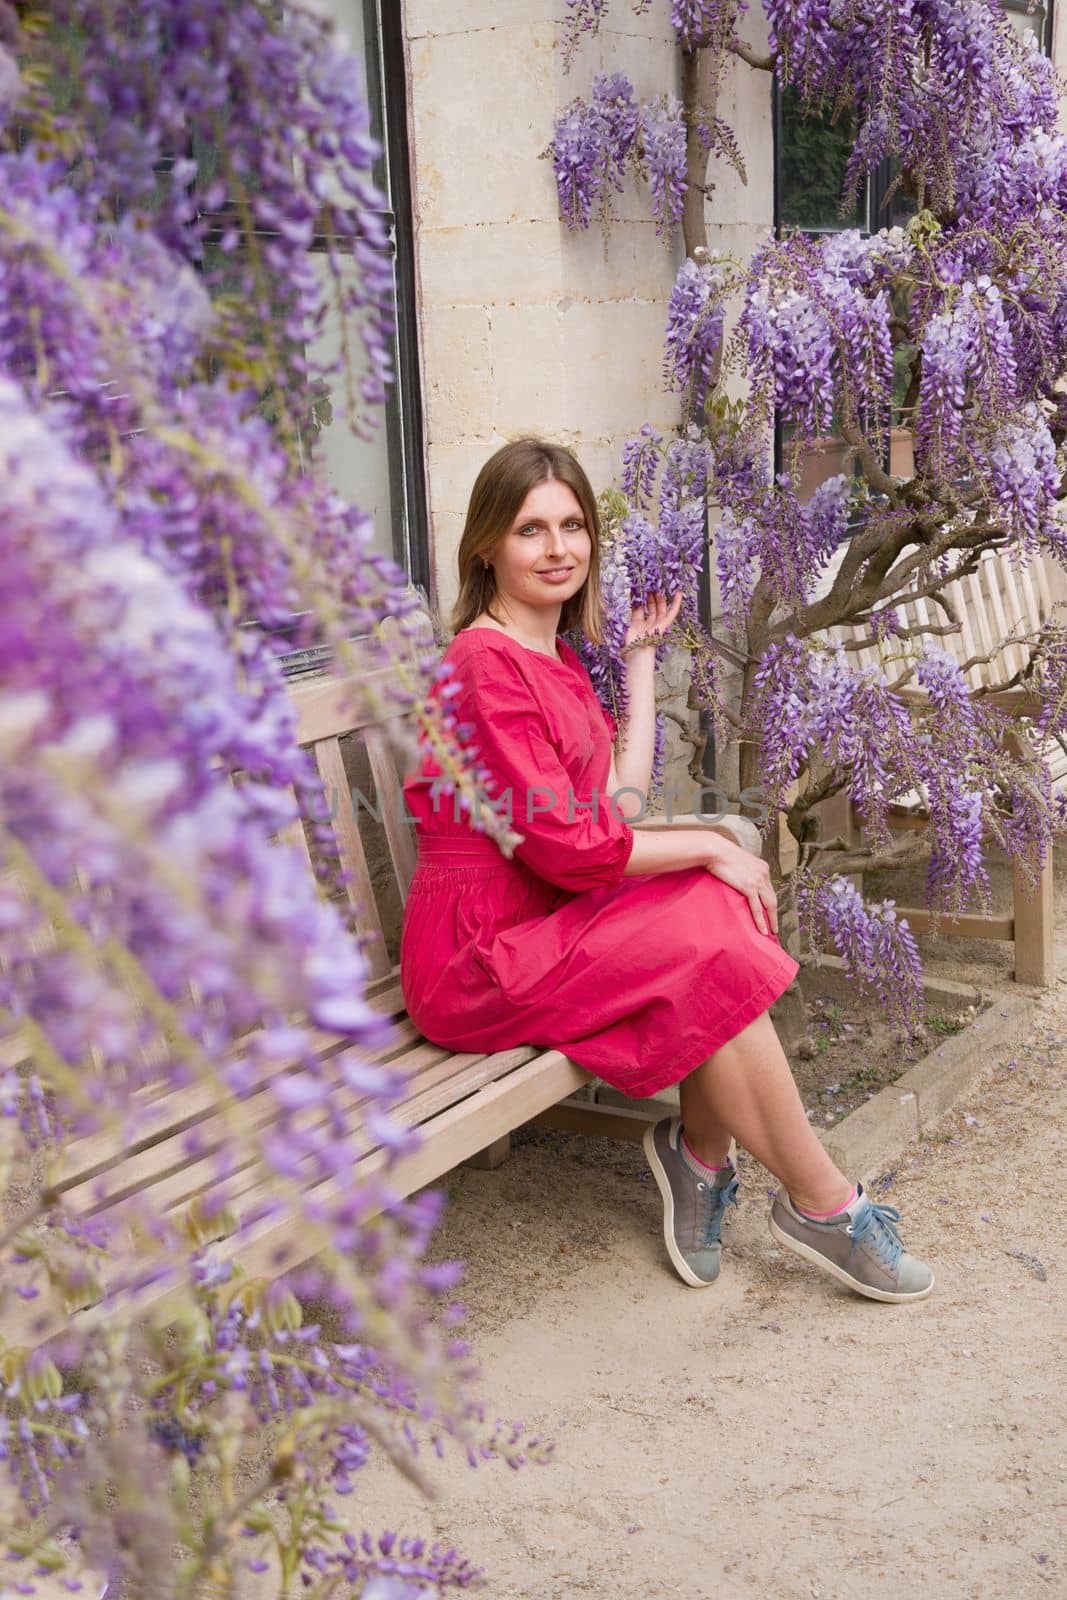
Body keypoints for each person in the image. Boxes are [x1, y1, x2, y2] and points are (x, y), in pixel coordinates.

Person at [400, 439, 933, 1304]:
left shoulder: (556, 657)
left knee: (712, 910)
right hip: (479, 955)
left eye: (572, 524)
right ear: (485, 546)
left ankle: (706, 1161)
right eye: (531, 528)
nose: (557, 547)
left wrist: (640, 664)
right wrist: (714, 846)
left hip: (544, 918)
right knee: (710, 908)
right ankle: (822, 1203)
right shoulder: (478, 667)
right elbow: (570, 848)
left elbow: (618, 808)